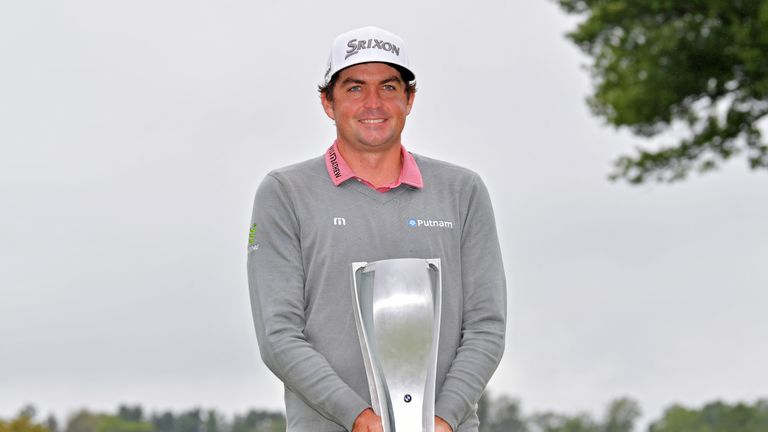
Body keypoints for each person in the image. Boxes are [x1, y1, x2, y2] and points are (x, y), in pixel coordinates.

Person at [247, 26, 506, 432]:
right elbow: (278, 335)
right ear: (327, 102)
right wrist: (358, 417)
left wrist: (444, 418)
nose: (373, 103)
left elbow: (486, 325)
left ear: (409, 99)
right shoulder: (284, 193)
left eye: (388, 87)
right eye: (354, 88)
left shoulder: (463, 191)